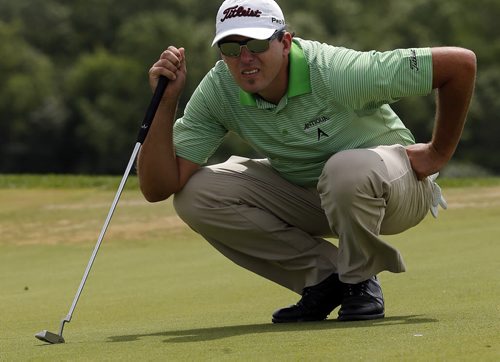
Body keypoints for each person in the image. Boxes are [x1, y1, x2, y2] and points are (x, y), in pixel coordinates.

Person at [138, 0, 476, 323]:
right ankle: (326, 279)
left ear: (285, 42)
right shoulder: (220, 90)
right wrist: (166, 102)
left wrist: (437, 153)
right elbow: (158, 188)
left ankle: (360, 279)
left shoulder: (338, 72)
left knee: (344, 170)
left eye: (256, 45)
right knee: (196, 195)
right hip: (314, 195)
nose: (245, 59)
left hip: (395, 191)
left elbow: (459, 65)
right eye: (231, 48)